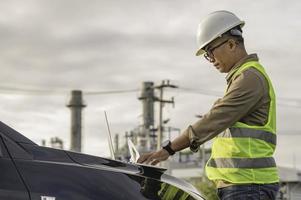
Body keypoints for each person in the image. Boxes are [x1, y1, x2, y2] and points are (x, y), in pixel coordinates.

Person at [138, 10, 280, 199]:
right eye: (206, 54)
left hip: (249, 185)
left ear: (231, 44)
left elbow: (214, 119)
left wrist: (168, 149)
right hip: (243, 185)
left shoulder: (250, 78)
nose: (210, 59)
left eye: (210, 51)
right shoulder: (242, 78)